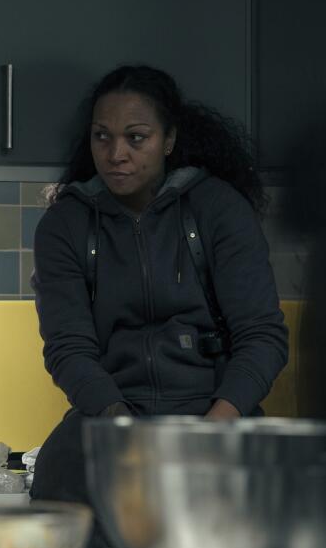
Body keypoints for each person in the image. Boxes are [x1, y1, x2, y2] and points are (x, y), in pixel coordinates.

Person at [28, 65, 289, 518]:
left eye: (136, 137)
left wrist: (213, 430)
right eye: (102, 137)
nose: (116, 154)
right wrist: (121, 429)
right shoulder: (64, 225)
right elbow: (69, 349)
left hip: (215, 427)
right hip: (107, 429)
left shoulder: (219, 209)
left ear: (168, 140)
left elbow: (262, 336)